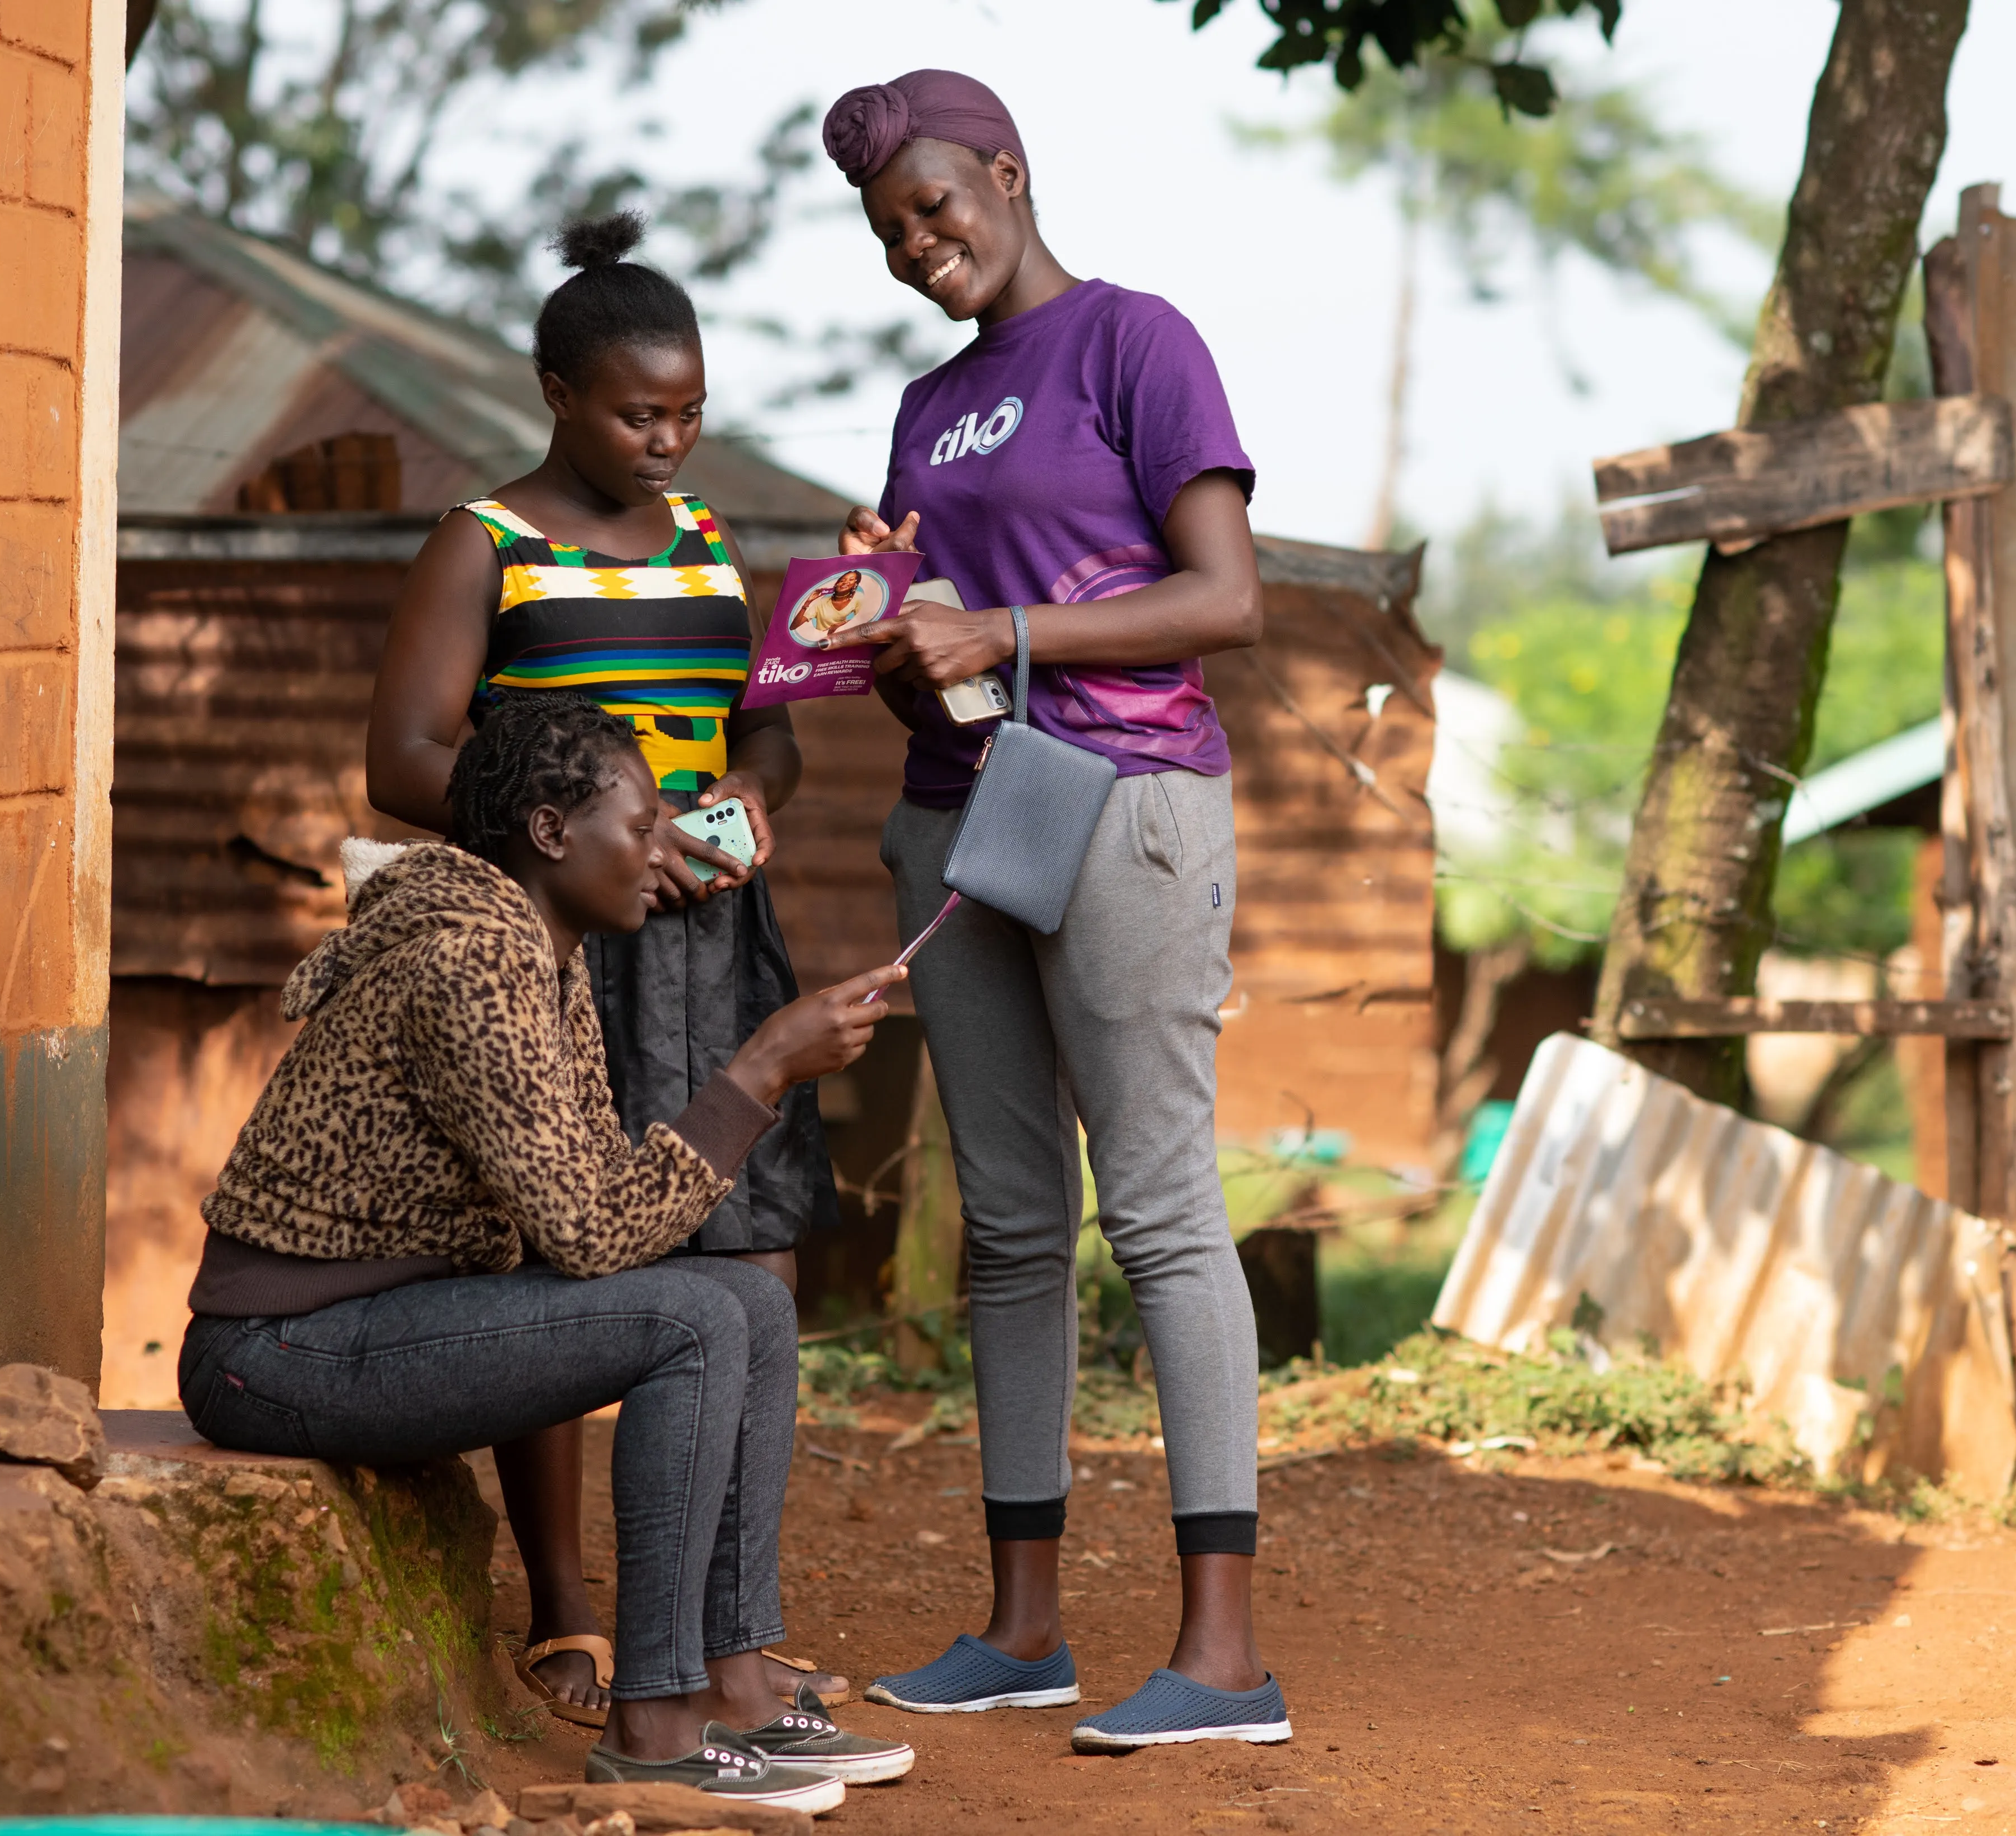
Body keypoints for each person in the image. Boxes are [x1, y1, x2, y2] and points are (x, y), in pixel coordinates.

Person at [178, 695, 915, 1808]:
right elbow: (587, 1235)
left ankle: (736, 1686)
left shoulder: (537, 951)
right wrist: (758, 1071)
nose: (662, 848)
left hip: (371, 1320)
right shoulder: (468, 965)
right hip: (277, 1352)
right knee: (698, 1317)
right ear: (550, 834)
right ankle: (656, 1722)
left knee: (747, 1302)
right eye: (639, 823)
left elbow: (587, 1204)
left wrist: (757, 1076)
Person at [817, 70, 1289, 1753]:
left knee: (1158, 1206)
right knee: (1012, 1225)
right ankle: (1025, 1629)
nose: (916, 242)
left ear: (1008, 175)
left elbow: (1224, 596)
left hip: (1126, 800)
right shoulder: (926, 410)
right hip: (962, 819)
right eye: (887, 228)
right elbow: (933, 679)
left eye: (936, 205)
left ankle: (1224, 1655)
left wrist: (999, 634)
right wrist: (893, 629)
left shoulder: (1132, 343)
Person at [363, 212, 847, 1725]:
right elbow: (402, 757)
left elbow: (761, 723)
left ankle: (721, 1630)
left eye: (691, 411)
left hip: (715, 939)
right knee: (572, 1260)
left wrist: (755, 794)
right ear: (557, 392)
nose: (669, 438)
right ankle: (569, 1612)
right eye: (641, 411)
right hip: (565, 947)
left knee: (749, 1258)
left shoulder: (708, 544)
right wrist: (585, 844)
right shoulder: (487, 545)